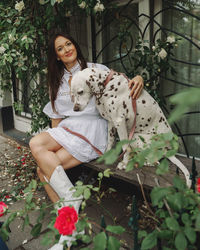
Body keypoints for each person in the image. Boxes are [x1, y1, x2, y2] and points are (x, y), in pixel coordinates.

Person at [29, 32, 144, 250]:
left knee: (42, 171)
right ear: (57, 57)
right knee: (37, 145)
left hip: (93, 130)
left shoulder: (95, 68)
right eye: (60, 49)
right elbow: (56, 120)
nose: (66, 49)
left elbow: (122, 83)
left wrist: (138, 79)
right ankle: (73, 217)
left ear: (75, 45)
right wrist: (56, 148)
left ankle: (70, 229)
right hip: (68, 129)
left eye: (68, 44)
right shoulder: (57, 81)